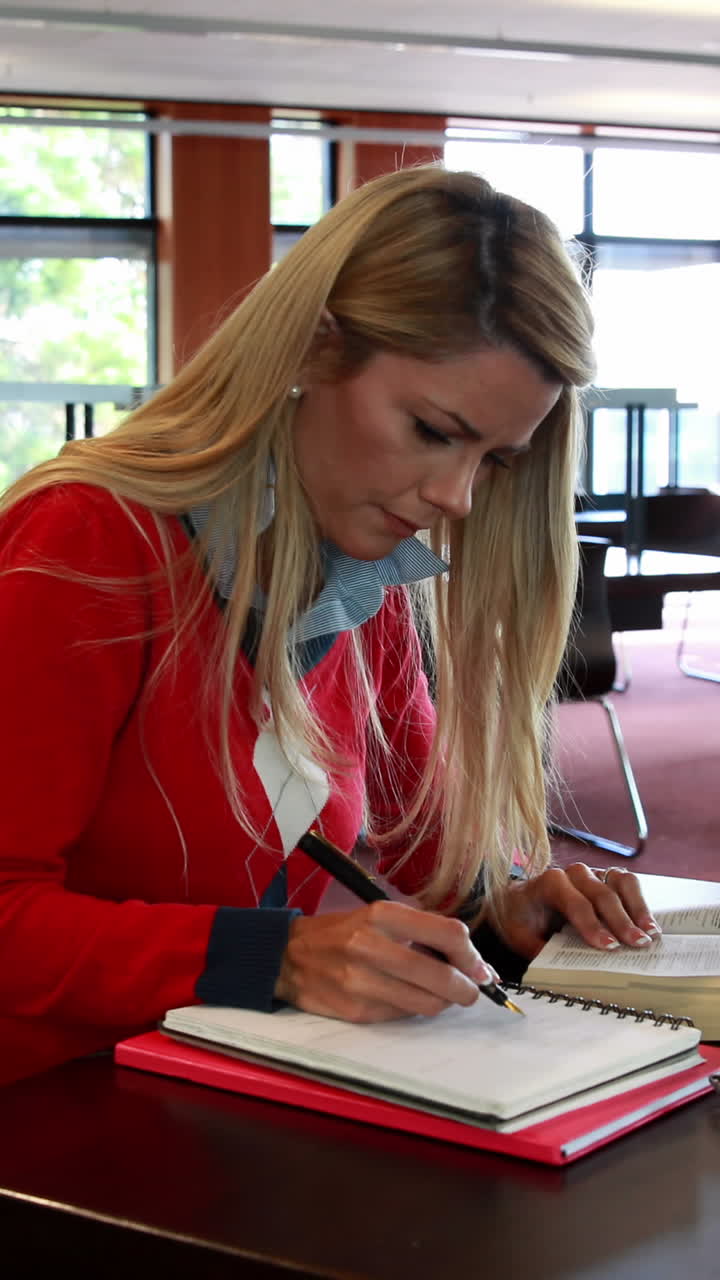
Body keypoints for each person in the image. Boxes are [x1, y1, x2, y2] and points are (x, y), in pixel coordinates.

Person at [0, 165, 660, 1087]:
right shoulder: (89, 540)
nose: (457, 498)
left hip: (241, 1095)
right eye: (433, 430)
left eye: (496, 461)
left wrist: (505, 905)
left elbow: (428, 847)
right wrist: (277, 956)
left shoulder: (364, 570)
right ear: (312, 350)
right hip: (56, 1118)